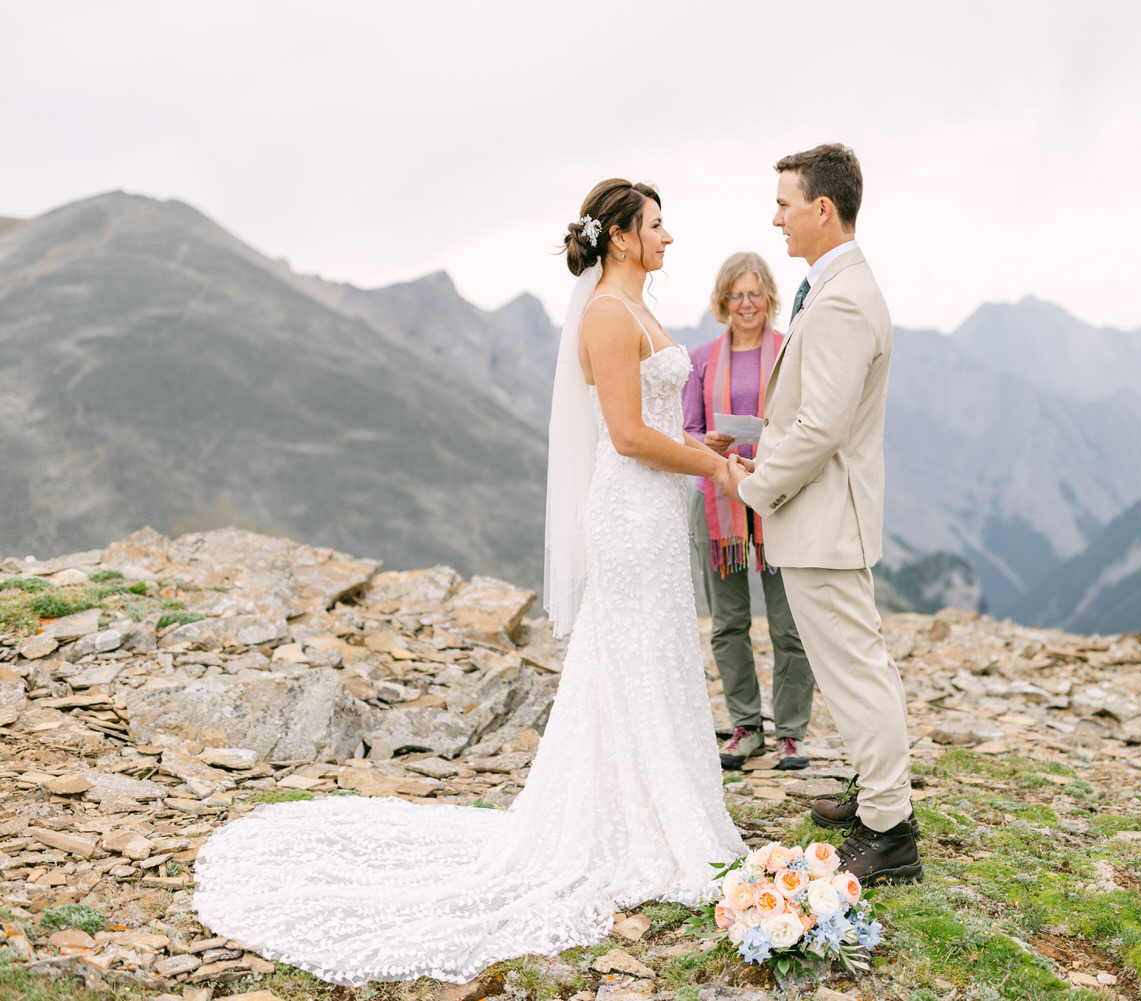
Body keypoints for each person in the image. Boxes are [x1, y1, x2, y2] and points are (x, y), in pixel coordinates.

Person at [191, 179, 747, 984]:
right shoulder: (604, 314)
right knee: (632, 651)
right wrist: (709, 463)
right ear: (622, 238)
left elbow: (656, 422)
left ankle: (662, 799)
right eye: (658, 225)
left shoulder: (643, 310)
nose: (671, 236)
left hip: (658, 514)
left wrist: (704, 441)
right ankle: (633, 817)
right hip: (631, 512)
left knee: (657, 650)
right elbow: (626, 437)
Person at [726, 143, 923, 885]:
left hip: (821, 519)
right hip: (823, 515)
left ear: (822, 209)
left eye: (784, 203)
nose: (775, 217)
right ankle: (880, 797)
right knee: (853, 667)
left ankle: (889, 831)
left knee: (856, 671)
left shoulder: (841, 298)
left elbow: (820, 426)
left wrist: (756, 485)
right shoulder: (833, 287)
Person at [683, 252, 816, 771]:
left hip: (778, 499)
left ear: (769, 300)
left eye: (755, 293)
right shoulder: (699, 359)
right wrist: (708, 443)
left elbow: (806, 419)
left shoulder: (788, 351)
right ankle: (745, 726)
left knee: (788, 623)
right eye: (737, 294)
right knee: (728, 622)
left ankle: (791, 733)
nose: (746, 303)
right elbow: (688, 430)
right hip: (717, 502)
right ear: (723, 300)